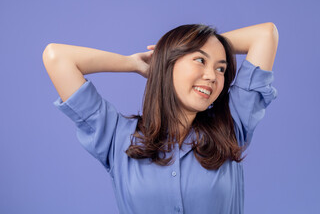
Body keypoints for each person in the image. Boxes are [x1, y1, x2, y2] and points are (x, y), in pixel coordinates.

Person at [42, 22, 279, 214]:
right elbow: (57, 57)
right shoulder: (116, 136)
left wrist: (204, 44)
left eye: (221, 68)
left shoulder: (232, 125)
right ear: (169, 63)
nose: (212, 76)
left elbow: (265, 35)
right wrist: (131, 63)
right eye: (200, 60)